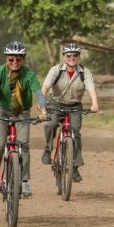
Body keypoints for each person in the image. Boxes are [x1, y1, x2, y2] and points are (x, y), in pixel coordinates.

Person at [0, 41, 47, 196]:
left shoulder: (29, 74)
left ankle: (24, 182)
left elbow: (40, 95)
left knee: (24, 145)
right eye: (11, 59)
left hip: (22, 111)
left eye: (18, 59)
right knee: (0, 143)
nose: (15, 62)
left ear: (23, 59)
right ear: (6, 59)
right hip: (1, 110)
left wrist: (43, 110)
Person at [41, 43, 99, 182]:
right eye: (69, 55)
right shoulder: (56, 70)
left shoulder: (85, 72)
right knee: (52, 123)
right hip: (56, 104)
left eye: (75, 55)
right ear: (64, 57)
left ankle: (75, 167)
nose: (72, 58)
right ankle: (48, 149)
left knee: (76, 133)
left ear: (78, 57)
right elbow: (45, 86)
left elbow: (91, 88)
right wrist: (42, 104)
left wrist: (94, 103)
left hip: (74, 106)